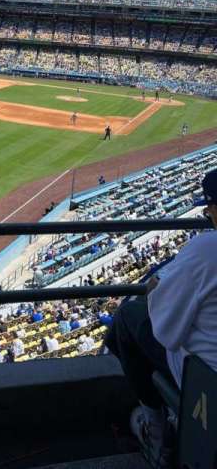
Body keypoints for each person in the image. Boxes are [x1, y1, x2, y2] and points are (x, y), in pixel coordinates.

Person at [105, 168, 217, 466]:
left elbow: (165, 332)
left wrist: (156, 290)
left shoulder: (206, 248)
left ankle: (156, 428)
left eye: (209, 211)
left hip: (207, 383)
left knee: (128, 317)